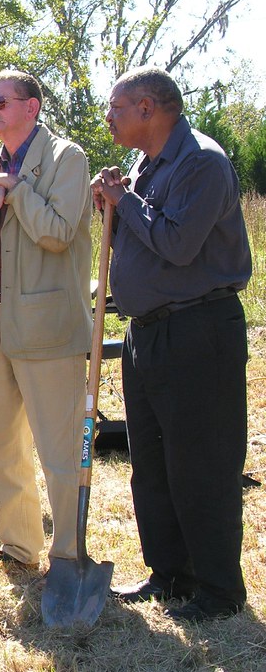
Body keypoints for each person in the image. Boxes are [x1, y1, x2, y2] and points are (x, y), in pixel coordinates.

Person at [93, 67, 251, 622]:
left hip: (197, 331)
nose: (107, 116)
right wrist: (112, 207)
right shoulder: (144, 164)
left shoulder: (202, 163)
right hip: (146, 333)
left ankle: (219, 590)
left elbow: (179, 245)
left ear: (146, 108)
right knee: (152, 461)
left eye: (115, 106)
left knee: (201, 462)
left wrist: (124, 201)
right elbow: (142, 238)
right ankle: (171, 574)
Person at [0, 70, 93, 572]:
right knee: (0, 448)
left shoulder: (67, 158)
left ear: (31, 107)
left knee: (59, 450)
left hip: (47, 328)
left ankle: (70, 553)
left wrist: (15, 191)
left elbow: (57, 233)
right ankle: (18, 547)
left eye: (0, 102)